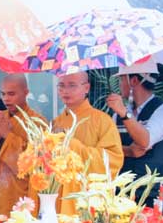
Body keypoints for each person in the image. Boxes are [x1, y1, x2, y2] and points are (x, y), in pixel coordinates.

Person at [106, 59, 163, 221]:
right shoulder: (117, 115)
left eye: (121, 79)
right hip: (124, 190)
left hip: (154, 192)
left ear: (134, 80)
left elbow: (145, 141)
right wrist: (130, 150)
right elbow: (109, 148)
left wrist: (125, 114)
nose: (119, 85)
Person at [0, 74, 47, 218]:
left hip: (20, 195)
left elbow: (36, 163)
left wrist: (9, 136)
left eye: (11, 94)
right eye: (3, 94)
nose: (6, 99)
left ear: (26, 92)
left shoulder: (37, 122)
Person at [52, 70, 123, 215]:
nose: (65, 91)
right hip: (58, 196)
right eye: (61, 86)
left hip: (86, 199)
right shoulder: (56, 122)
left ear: (86, 88)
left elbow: (112, 161)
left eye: (72, 85)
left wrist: (71, 144)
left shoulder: (102, 120)